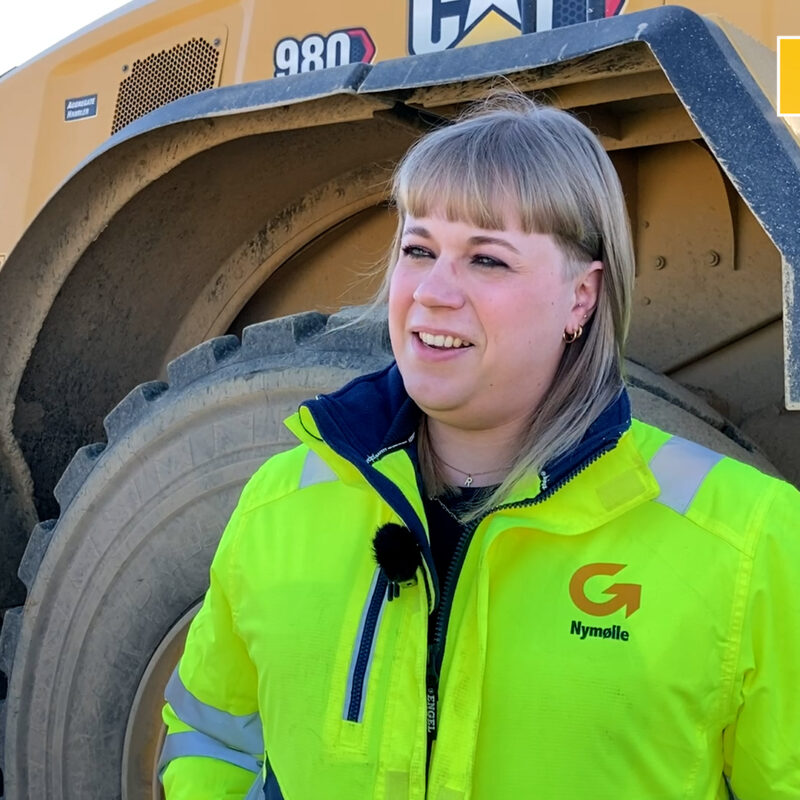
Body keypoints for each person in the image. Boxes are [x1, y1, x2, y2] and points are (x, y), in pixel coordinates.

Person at [159, 95, 800, 799]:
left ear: (581, 298)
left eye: (487, 260)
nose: (433, 292)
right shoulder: (278, 503)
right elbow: (210, 734)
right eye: (418, 249)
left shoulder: (750, 539)